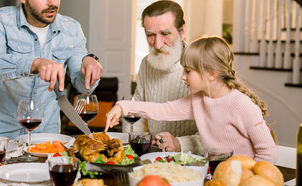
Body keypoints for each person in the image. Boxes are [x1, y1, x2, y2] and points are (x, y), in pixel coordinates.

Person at [0, 0, 103, 139]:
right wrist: (35, 64)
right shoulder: (0, 20)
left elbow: (81, 85)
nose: (52, 3)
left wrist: (90, 67)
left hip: (45, 135)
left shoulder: (72, 28)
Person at [106, 36, 277, 163]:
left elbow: (267, 153)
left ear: (211, 73)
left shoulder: (241, 104)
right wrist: (122, 107)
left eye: (188, 71)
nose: (182, 77)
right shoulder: (198, 101)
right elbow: (162, 110)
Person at [130, 0, 203, 154]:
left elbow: (220, 132)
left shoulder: (202, 64)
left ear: (183, 31)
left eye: (165, 34)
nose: (157, 45)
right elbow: (138, 116)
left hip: (193, 162)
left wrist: (181, 144)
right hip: (154, 156)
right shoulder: (146, 63)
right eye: (150, 35)